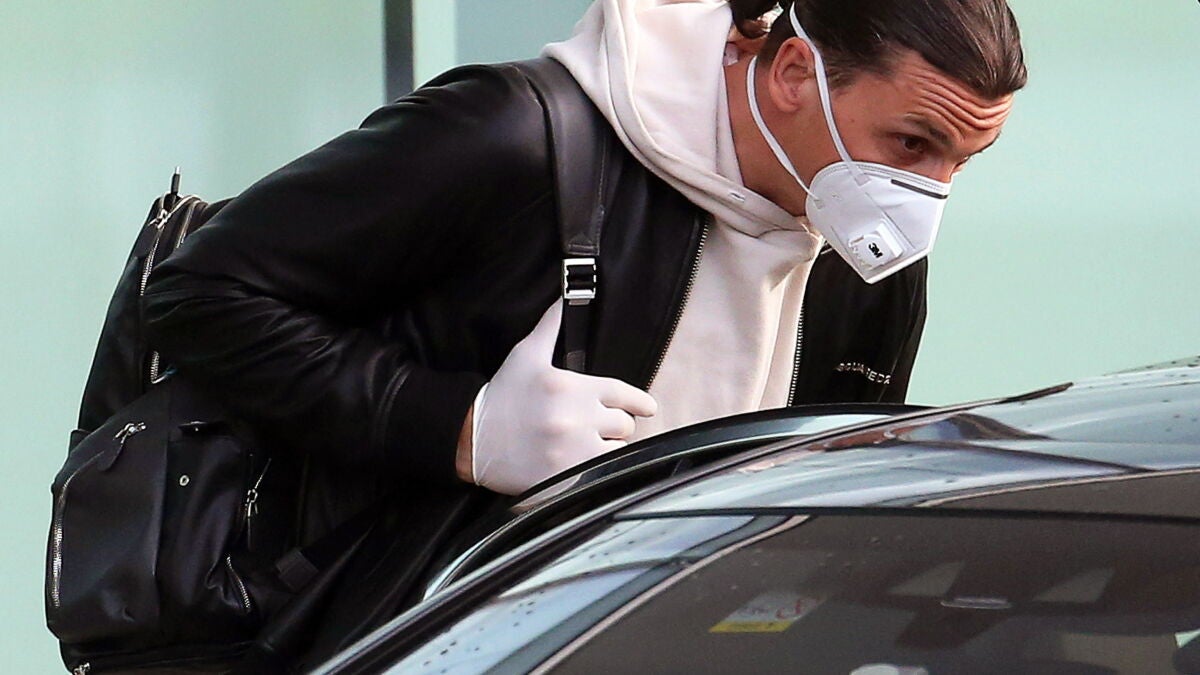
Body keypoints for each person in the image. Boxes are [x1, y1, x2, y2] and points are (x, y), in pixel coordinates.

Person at [143, 0, 1025, 659]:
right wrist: (460, 427)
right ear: (795, 72)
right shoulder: (518, 136)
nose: (929, 197)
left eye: (964, 161)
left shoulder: (866, 248)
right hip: (408, 638)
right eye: (912, 144)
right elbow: (201, 292)